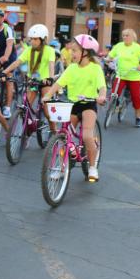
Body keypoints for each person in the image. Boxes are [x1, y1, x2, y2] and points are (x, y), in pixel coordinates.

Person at [42, 34, 106, 181]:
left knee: (87, 136)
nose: (72, 53)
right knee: (64, 135)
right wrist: (48, 95)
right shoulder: (71, 68)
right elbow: (58, 83)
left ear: (86, 52)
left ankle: (92, 167)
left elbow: (102, 87)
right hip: (72, 105)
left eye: (75, 50)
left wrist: (101, 96)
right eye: (71, 50)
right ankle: (61, 167)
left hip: (89, 105)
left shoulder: (95, 69)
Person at [2, 24, 56, 130]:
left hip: (45, 82)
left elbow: (51, 65)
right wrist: (4, 71)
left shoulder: (50, 50)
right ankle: (26, 133)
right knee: (26, 107)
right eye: (31, 39)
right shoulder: (28, 50)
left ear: (43, 39)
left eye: (35, 39)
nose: (32, 41)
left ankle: (55, 133)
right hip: (33, 81)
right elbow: (17, 62)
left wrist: (50, 78)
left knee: (47, 110)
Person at [106, 29, 140, 128]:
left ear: (133, 37)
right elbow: (110, 56)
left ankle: (138, 118)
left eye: (127, 35)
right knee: (114, 93)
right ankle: (115, 105)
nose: (125, 37)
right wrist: (108, 60)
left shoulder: (137, 47)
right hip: (121, 74)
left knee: (136, 97)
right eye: (123, 35)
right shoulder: (119, 46)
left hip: (134, 76)